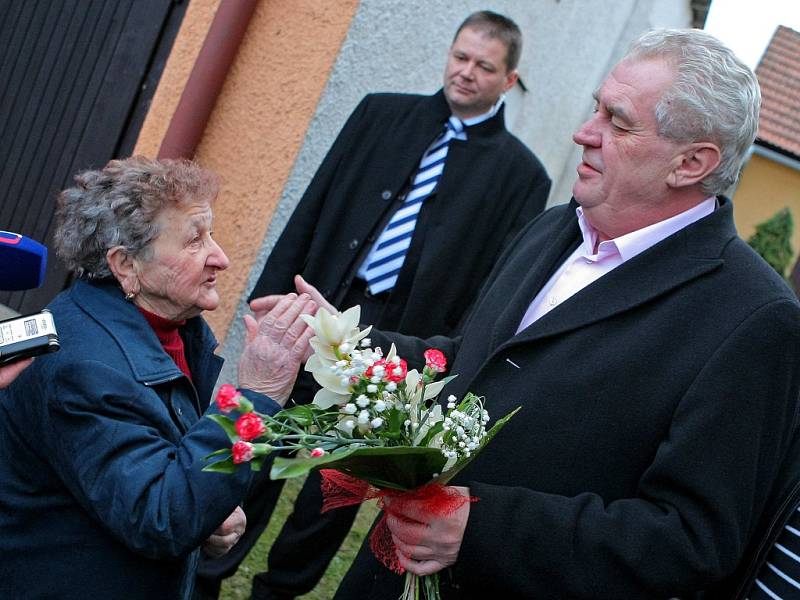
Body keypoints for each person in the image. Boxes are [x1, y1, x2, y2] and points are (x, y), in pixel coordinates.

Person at [264, 28, 800, 598]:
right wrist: (337, 340)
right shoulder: (555, 227)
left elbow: (692, 541)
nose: (583, 132)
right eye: (596, 108)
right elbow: (466, 362)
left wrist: (482, 529)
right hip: (386, 573)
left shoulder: (755, 318)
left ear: (692, 162)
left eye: (617, 123)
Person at [196, 10, 552, 600]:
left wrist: (441, 367)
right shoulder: (380, 112)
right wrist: (278, 288)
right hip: (317, 310)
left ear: (508, 80)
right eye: (460, 56)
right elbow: (317, 199)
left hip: (398, 346)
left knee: (335, 485)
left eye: (484, 66)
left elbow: (494, 283)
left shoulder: (521, 175)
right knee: (267, 441)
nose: (465, 73)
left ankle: (280, 590)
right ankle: (210, 572)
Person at [0, 157, 316, 600]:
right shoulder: (86, 369)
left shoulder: (174, 331)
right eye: (193, 240)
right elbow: (162, 518)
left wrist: (208, 509)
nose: (220, 257)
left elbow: (161, 479)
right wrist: (256, 398)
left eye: (211, 233)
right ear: (126, 265)